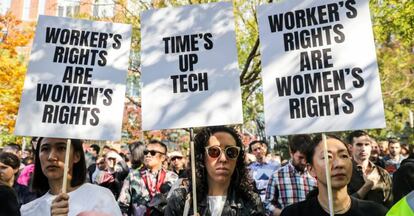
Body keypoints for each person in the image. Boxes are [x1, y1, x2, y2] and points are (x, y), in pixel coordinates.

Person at [165, 126, 265, 216]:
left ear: (237, 159)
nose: (223, 159)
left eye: (231, 152)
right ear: (202, 157)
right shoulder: (181, 199)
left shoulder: (251, 201)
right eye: (214, 151)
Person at [281, 134, 388, 216]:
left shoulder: (377, 212)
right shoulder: (293, 213)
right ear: (311, 169)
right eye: (327, 157)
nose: (339, 164)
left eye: (344, 156)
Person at [20, 137, 122, 216]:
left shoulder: (101, 197)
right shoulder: (28, 210)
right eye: (45, 149)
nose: (51, 157)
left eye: (61, 148)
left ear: (76, 156)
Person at [118, 140, 178, 215]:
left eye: (153, 153)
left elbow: (178, 207)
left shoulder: (173, 178)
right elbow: (122, 206)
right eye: (146, 152)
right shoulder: (133, 176)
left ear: (163, 157)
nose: (148, 155)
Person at [265, 134, 317, 216]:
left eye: (307, 158)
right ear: (291, 153)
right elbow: (267, 205)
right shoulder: (277, 176)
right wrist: (284, 213)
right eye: (300, 157)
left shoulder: (316, 176)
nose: (304, 162)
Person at [347, 130, 392, 208]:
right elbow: (341, 204)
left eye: (366, 144)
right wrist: (366, 187)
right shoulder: (343, 172)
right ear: (350, 147)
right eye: (359, 145)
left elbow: (389, 202)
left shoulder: (382, 172)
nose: (363, 148)